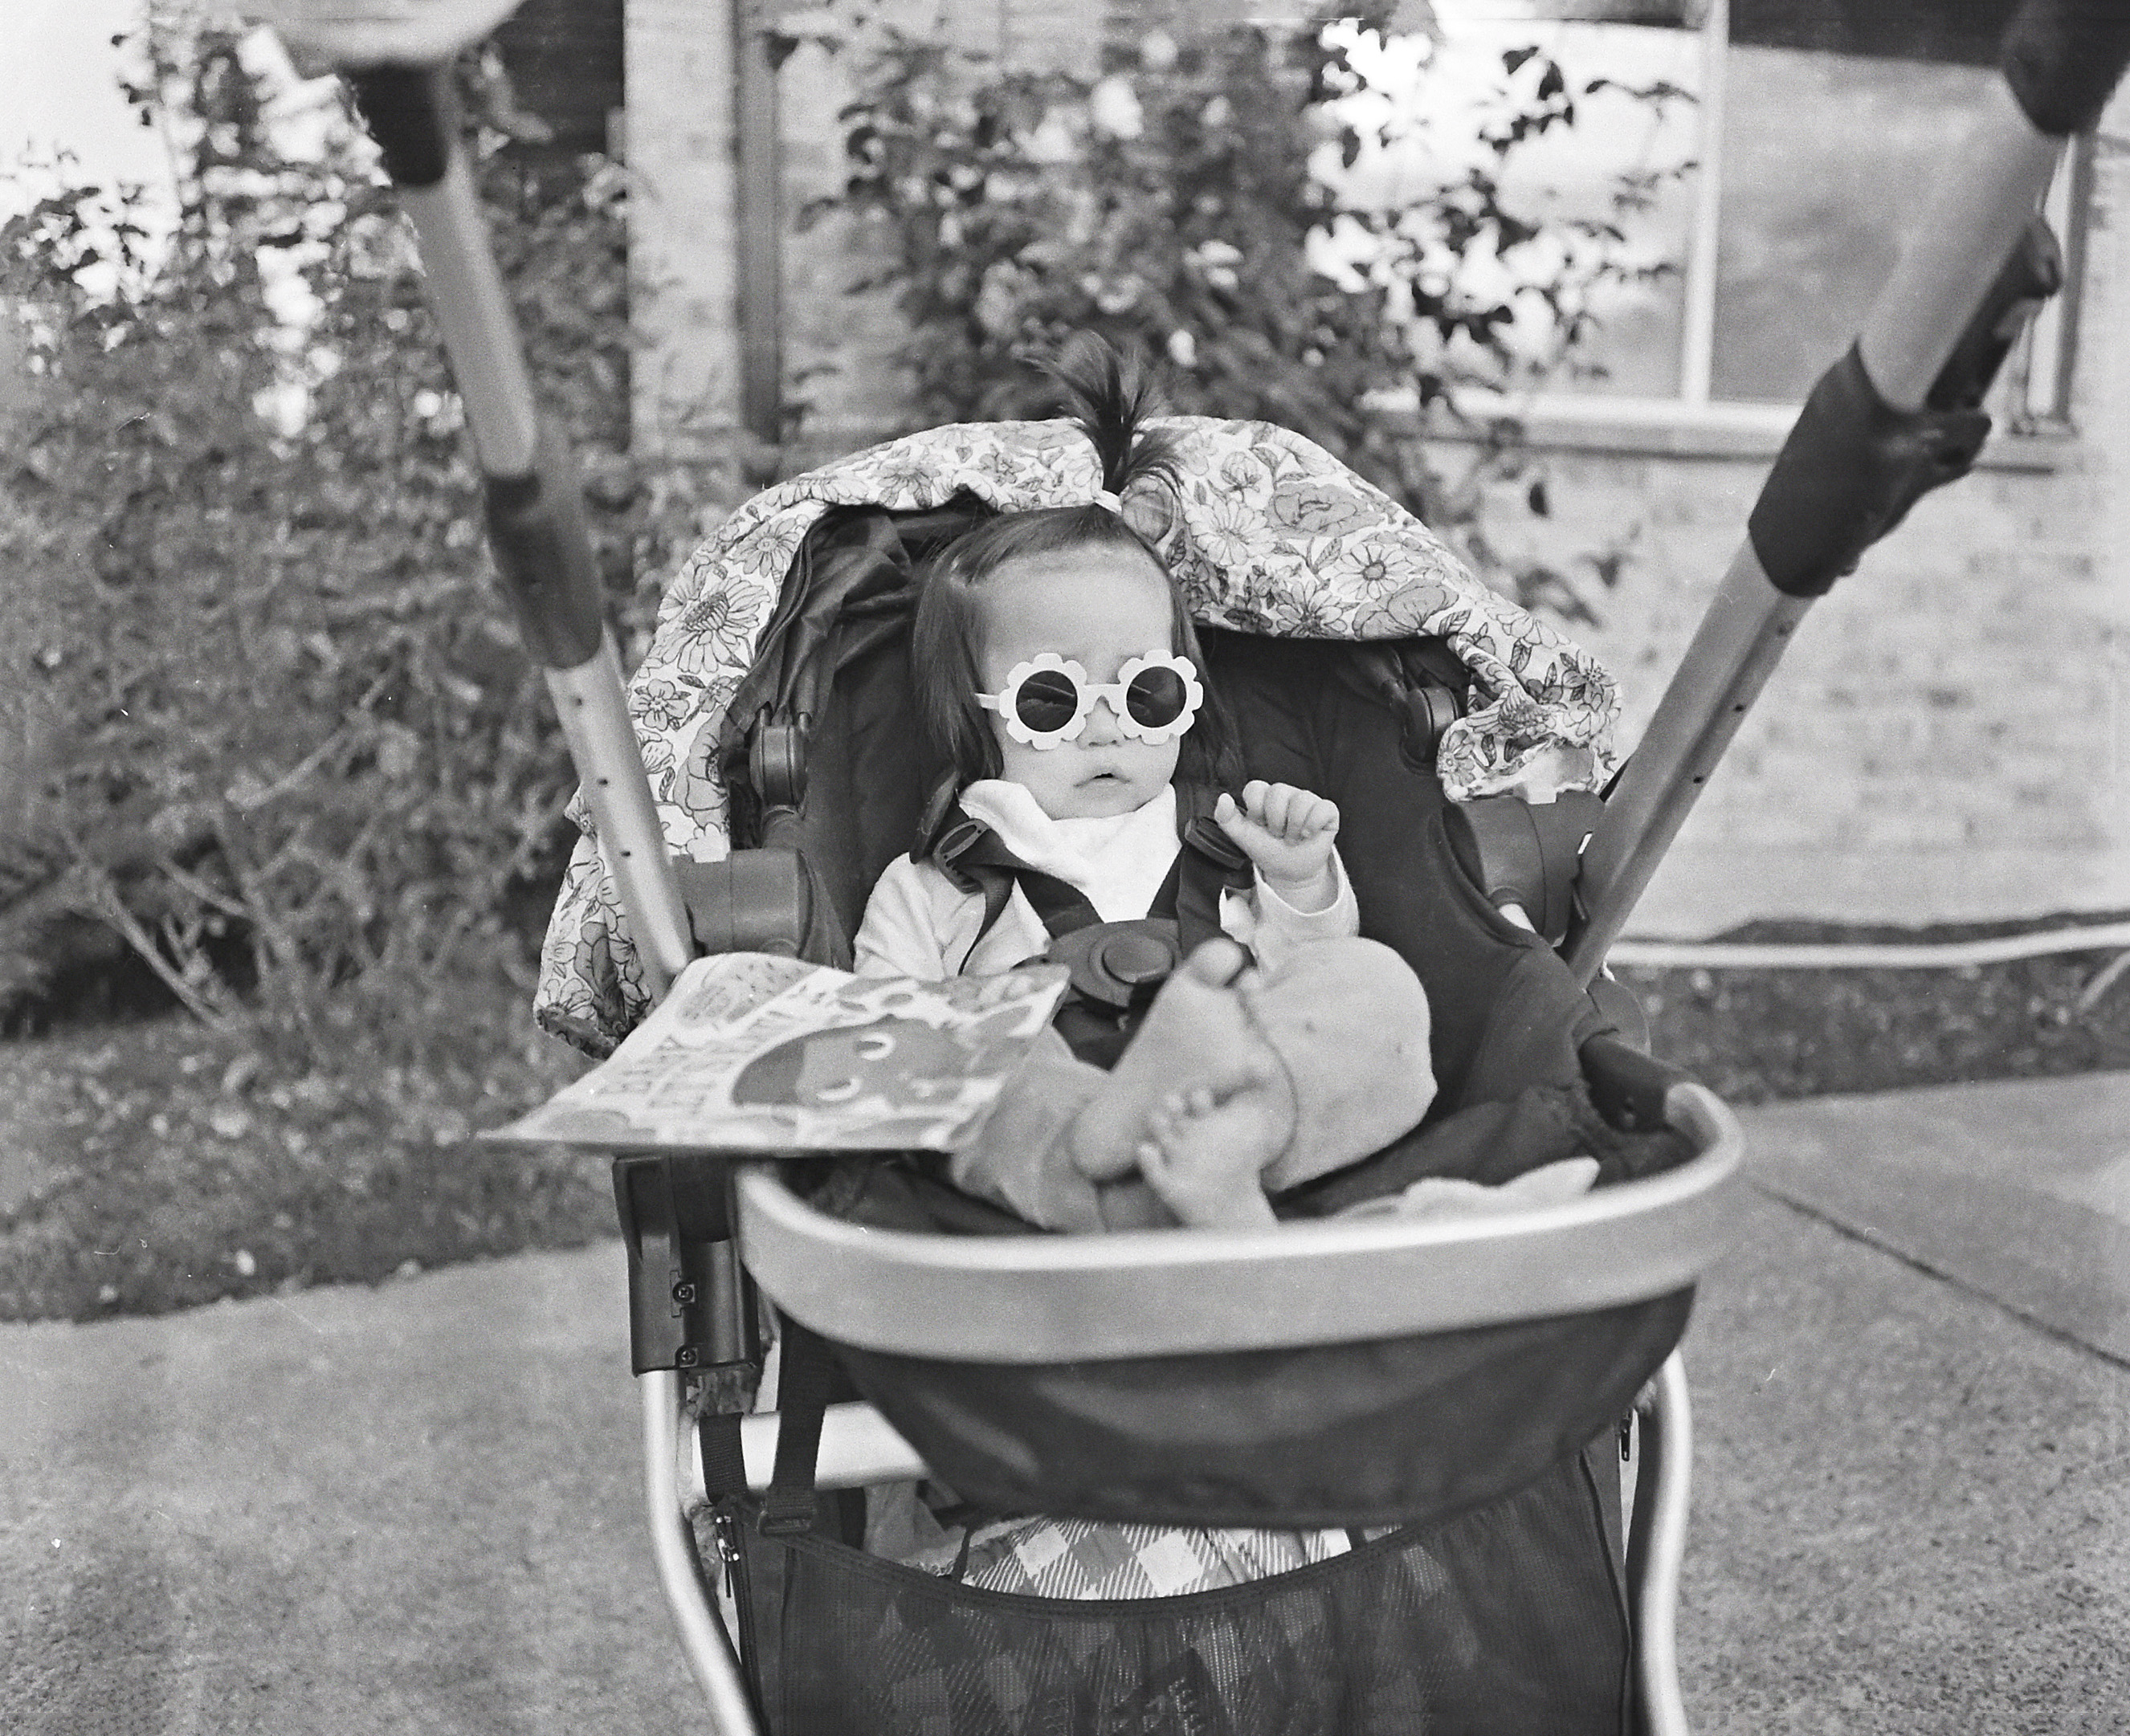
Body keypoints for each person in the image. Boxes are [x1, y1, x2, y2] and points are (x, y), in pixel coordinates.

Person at [851, 338, 1439, 1230]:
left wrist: (1298, 883)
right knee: (962, 1059)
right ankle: (1116, 1163)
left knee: (1374, 986)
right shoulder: (935, 888)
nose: (1107, 727)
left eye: (1146, 694)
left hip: (1234, 1101)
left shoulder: (1224, 841)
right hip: (1057, 1119)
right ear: (973, 716)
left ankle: (1227, 1146)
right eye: (1051, 700)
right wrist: (956, 1020)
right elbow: (877, 1039)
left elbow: (1304, 974)